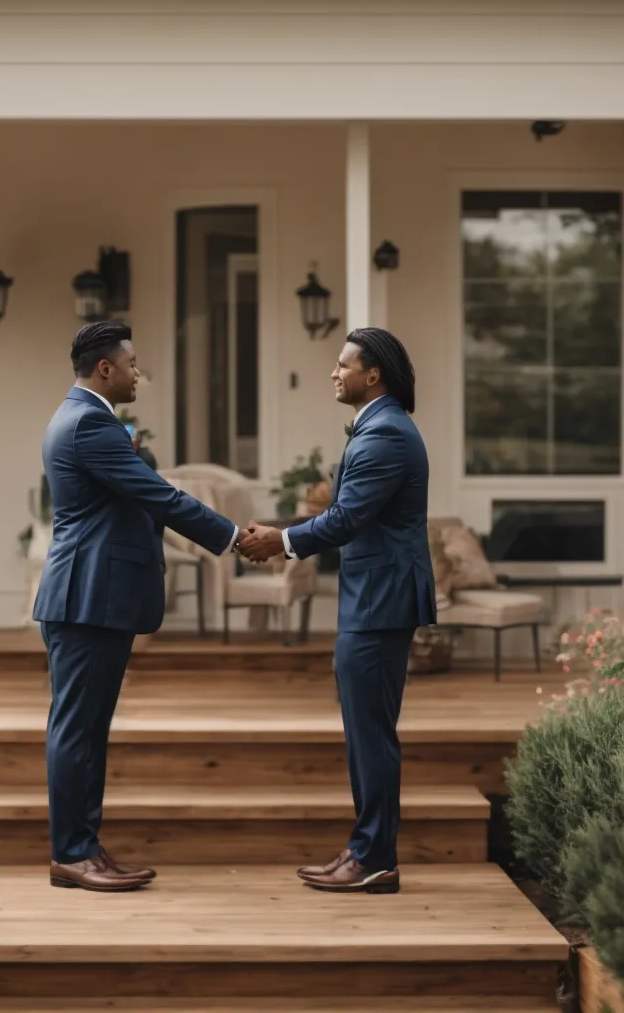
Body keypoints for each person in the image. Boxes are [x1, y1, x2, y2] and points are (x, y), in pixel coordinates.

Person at [34, 319, 240, 892]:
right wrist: (233, 537)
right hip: (86, 598)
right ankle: (72, 853)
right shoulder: (89, 425)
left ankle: (83, 848)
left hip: (92, 597)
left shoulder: (83, 418)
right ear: (106, 368)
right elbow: (160, 496)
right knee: (77, 729)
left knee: (86, 729)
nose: (137, 374)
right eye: (131, 365)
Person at [238, 326, 436, 895]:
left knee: (370, 735)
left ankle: (374, 858)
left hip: (379, 603)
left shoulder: (386, 435)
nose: (333, 371)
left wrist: (281, 541)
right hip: (372, 601)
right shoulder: (379, 427)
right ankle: (364, 849)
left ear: (372, 374)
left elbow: (347, 519)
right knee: (364, 732)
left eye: (342, 363)